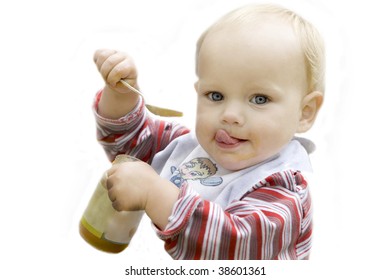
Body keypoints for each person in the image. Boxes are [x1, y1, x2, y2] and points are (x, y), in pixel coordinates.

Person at [91, 3, 324, 259]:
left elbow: (232, 247)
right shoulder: (192, 148)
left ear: (305, 112)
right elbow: (132, 143)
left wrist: (154, 194)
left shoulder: (283, 192)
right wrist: (121, 95)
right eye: (216, 95)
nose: (230, 115)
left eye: (259, 99)